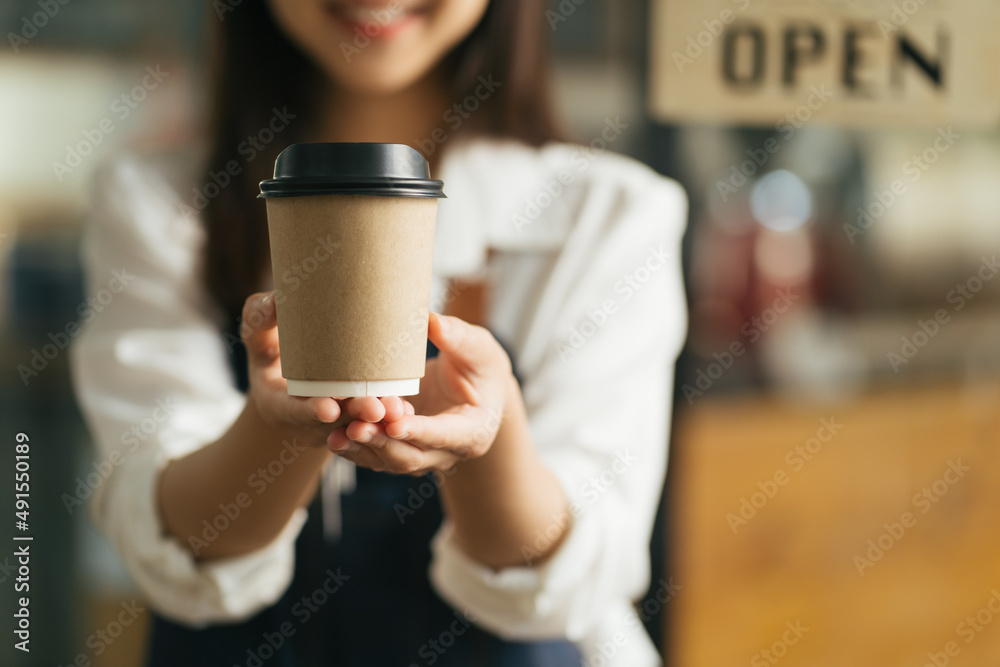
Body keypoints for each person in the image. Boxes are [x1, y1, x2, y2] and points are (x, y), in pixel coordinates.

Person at [69, 0, 688, 665]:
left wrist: (489, 432)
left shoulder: (613, 214)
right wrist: (277, 427)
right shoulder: (155, 205)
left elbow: (584, 562)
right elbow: (167, 539)